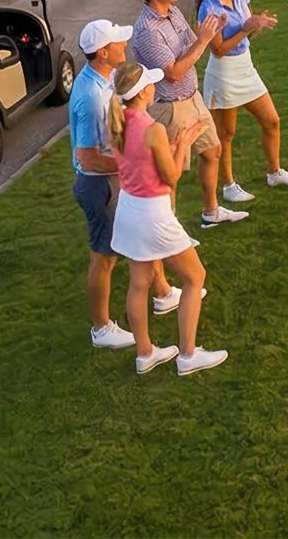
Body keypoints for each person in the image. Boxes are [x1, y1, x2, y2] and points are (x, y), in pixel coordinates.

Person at [108, 62, 225, 376]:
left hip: (129, 212)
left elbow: (144, 162)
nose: (153, 87)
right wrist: (184, 144)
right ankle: (188, 355)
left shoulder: (118, 123)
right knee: (195, 277)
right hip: (153, 214)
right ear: (144, 91)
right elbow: (171, 176)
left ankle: (145, 354)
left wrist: (173, 145)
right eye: (150, 83)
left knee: (138, 284)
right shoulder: (153, 129)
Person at [129, 0, 242, 227]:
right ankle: (170, 227)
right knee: (171, 171)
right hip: (169, 107)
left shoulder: (174, 12)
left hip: (192, 98)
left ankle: (210, 212)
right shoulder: (147, 31)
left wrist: (210, 32)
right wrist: (203, 41)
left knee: (212, 150)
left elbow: (193, 42)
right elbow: (174, 72)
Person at [193, 0, 288, 203]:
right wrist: (246, 28)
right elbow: (218, 49)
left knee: (272, 120)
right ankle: (229, 186)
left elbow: (247, 33)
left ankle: (274, 172)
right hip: (224, 73)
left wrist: (256, 25)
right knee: (227, 133)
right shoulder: (208, 8)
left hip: (245, 67)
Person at [69, 17, 138, 348]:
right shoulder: (91, 98)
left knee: (135, 240)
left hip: (110, 180)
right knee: (104, 256)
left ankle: (163, 291)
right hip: (99, 185)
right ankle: (101, 329)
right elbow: (88, 158)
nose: (124, 45)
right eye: (118, 42)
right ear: (103, 51)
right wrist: (133, 165)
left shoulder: (103, 78)